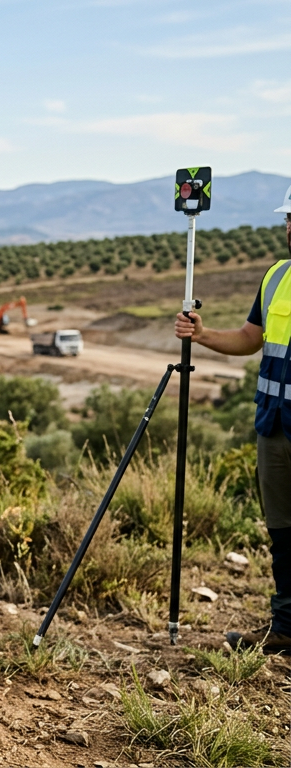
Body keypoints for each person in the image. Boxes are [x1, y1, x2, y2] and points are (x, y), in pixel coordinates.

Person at [174, 182, 291, 655]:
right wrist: (202, 337)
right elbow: (251, 338)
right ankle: (285, 628)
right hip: (275, 424)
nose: (289, 226)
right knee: (282, 530)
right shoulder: (277, 276)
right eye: (288, 219)